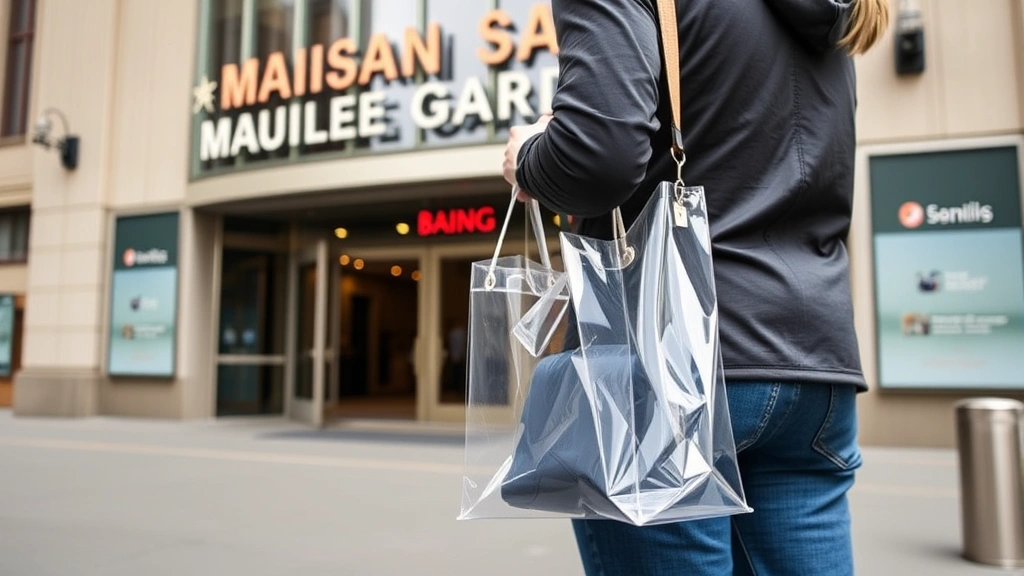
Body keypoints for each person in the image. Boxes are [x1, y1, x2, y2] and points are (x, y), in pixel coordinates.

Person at [502, 0, 890, 574]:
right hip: (813, 366)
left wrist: (528, 155)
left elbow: (596, 156)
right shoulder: (838, 11)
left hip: (670, 361)